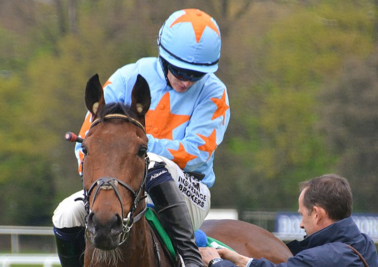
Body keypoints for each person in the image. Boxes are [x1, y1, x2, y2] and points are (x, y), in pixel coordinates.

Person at [52, 8, 230, 267]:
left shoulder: (215, 94)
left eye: (196, 74)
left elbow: (195, 154)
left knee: (152, 160)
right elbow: (87, 142)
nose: (187, 81)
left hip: (189, 191)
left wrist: (132, 145)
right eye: (180, 70)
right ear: (163, 55)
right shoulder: (126, 77)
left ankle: (191, 261)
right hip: (124, 187)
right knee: (65, 214)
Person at [200, 174, 378, 267]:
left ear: (317, 213)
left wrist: (216, 263)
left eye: (302, 214)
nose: (301, 223)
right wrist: (241, 260)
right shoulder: (365, 244)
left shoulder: (320, 259)